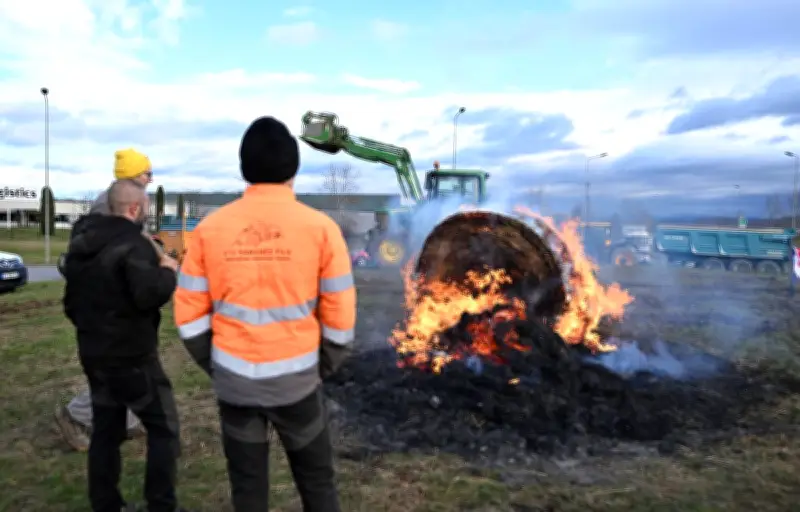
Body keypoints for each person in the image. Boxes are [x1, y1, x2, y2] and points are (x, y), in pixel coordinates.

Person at [173, 116, 356, 511]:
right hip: (299, 389)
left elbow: (188, 315)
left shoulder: (210, 229)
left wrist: (218, 364)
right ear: (294, 169)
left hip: (236, 387)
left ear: (244, 169)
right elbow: (340, 317)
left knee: (248, 489)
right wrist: (321, 366)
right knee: (318, 485)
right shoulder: (321, 229)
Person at [62, 180, 189, 512]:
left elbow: (70, 306)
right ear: (134, 208)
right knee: (164, 429)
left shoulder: (82, 243)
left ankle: (106, 505)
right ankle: (161, 505)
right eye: (145, 206)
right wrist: (169, 268)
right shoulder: (134, 245)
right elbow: (150, 294)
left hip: (94, 354)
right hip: (132, 359)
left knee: (106, 431)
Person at [56, 148, 154, 451]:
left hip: (111, 296)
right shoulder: (109, 206)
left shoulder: (118, 202)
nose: (151, 179)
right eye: (148, 173)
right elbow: (109, 250)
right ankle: (75, 415)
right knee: (114, 364)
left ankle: (128, 421)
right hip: (106, 299)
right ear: (134, 176)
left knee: (126, 361)